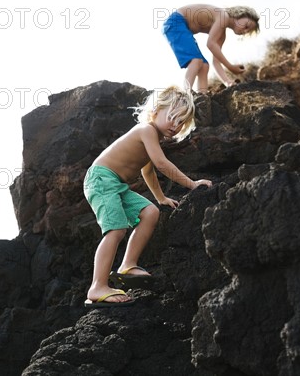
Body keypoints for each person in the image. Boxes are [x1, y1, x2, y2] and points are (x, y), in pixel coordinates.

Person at [83, 86, 212, 307]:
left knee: (150, 212)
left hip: (116, 184)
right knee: (116, 229)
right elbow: (161, 164)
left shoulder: (153, 137)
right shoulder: (146, 130)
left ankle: (128, 265)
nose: (176, 125)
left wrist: (160, 198)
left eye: (181, 122)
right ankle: (97, 286)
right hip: (102, 179)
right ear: (155, 110)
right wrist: (192, 184)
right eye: (172, 117)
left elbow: (148, 170)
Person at [162, 4, 260, 93]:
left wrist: (227, 82)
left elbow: (216, 62)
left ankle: (202, 97)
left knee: (204, 66)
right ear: (240, 14)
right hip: (176, 22)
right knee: (196, 61)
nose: (245, 31)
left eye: (247, 32)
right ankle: (185, 94)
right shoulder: (223, 16)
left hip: (183, 28)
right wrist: (230, 67)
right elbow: (210, 44)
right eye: (247, 26)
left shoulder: (222, 35)